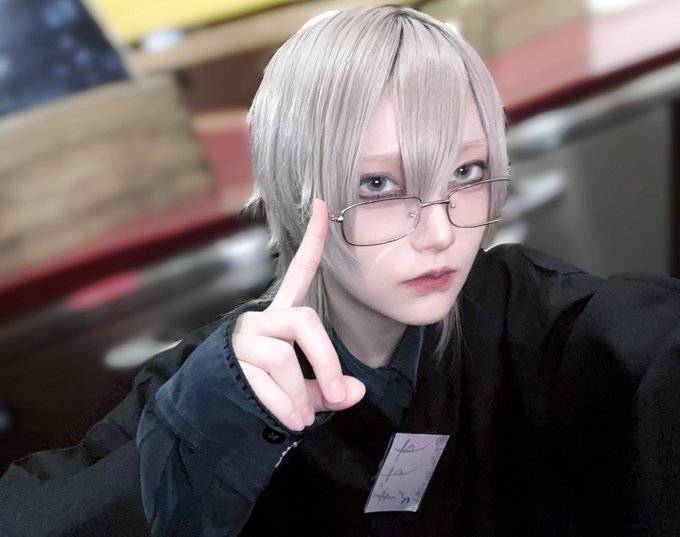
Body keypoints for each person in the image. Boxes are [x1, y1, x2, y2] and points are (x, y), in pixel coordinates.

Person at [1, 5, 679, 536]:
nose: (440, 233)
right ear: (295, 188)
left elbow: (646, 348)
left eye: (466, 172)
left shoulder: (518, 311)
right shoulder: (208, 390)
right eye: (379, 185)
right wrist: (199, 437)